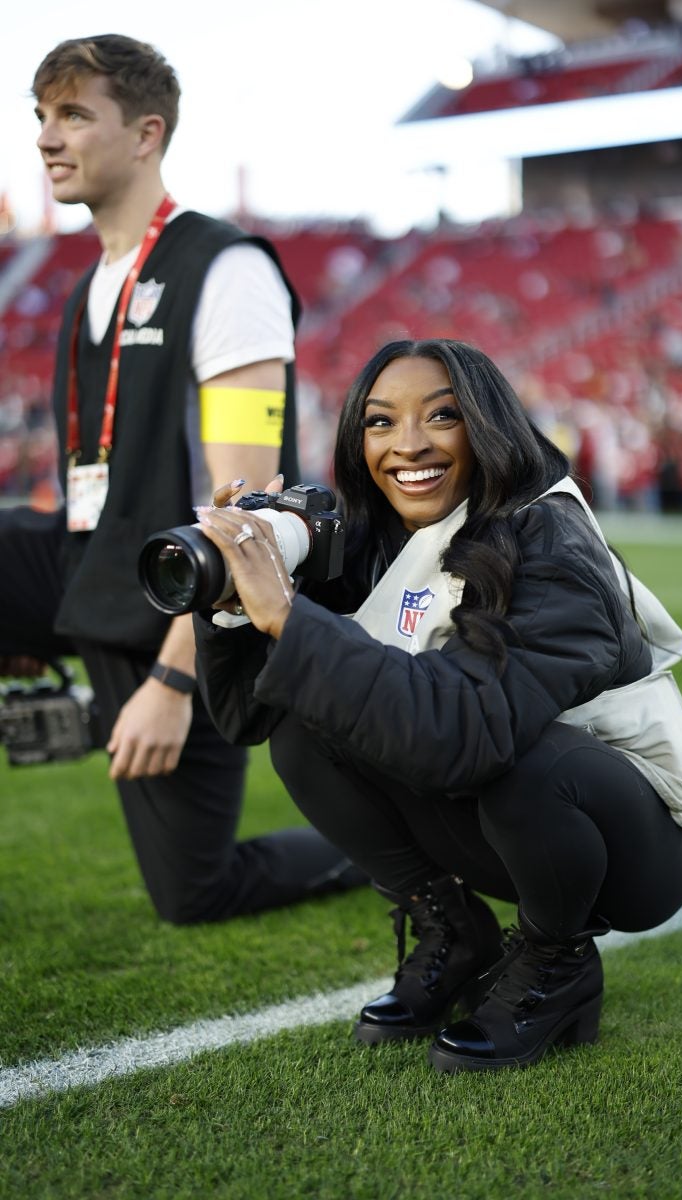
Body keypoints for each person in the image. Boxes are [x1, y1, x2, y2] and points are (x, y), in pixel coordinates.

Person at [191, 337, 682, 1073]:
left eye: (441, 416)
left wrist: (291, 618)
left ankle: (557, 959)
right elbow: (249, 715)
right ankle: (455, 931)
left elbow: (470, 735)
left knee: (531, 762)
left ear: (487, 425)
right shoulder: (379, 538)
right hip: (492, 816)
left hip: (629, 843)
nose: (407, 445)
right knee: (305, 724)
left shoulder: (551, 542)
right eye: (379, 423)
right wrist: (232, 604)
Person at [0, 34, 364, 924]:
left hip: (183, 591)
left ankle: (386, 843)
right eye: (41, 116)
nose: (48, 136)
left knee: (192, 891)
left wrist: (170, 686)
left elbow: (248, 517)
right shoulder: (88, 282)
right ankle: (83, 694)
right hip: (91, 559)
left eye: (75, 115)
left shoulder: (226, 271)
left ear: (146, 133)